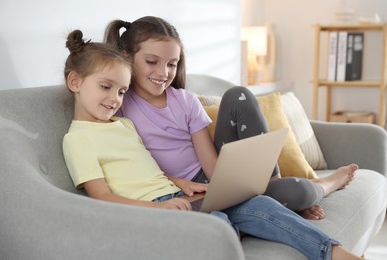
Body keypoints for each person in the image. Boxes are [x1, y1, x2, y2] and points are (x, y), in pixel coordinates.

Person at [62, 28, 362, 260]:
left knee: (255, 204)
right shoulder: (78, 139)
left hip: (180, 195)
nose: (115, 99)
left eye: (121, 91)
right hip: (153, 209)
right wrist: (160, 208)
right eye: (106, 87)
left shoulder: (123, 124)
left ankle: (332, 252)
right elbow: (100, 196)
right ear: (75, 82)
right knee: (224, 220)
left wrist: (183, 184)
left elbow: (146, 170)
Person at [104, 16, 358, 221]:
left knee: (239, 95)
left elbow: (212, 169)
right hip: (175, 193)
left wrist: (233, 185)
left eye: (171, 64)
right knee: (299, 191)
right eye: (152, 62)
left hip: (211, 181)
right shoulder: (118, 106)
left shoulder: (185, 101)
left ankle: (274, 185)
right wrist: (177, 182)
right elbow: (130, 169)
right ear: (126, 57)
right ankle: (326, 185)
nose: (163, 72)